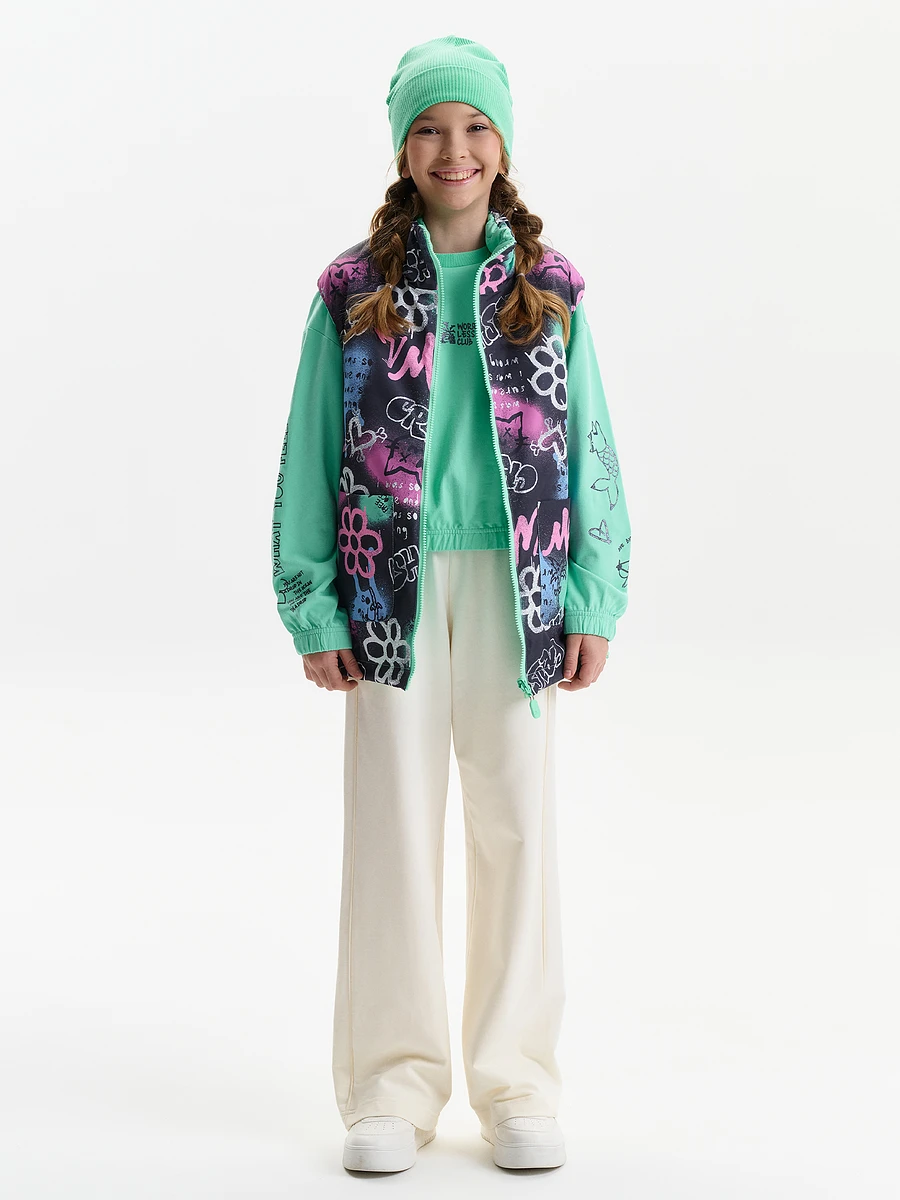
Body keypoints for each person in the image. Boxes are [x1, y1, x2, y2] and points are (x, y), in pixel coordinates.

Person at [271, 34, 632, 1173]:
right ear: (401, 149)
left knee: (516, 824)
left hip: (523, 588)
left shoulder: (552, 289)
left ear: (503, 144)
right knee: (393, 827)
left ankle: (517, 1080)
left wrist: (594, 593)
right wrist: (313, 603)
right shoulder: (353, 291)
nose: (453, 149)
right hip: (387, 586)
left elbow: (593, 446)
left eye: (475, 127)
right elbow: (308, 448)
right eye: (429, 129)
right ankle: (391, 1085)